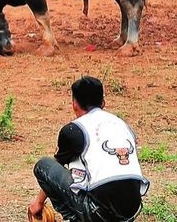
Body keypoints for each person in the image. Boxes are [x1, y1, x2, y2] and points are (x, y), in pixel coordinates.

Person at [29, 76, 149, 222]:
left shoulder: (74, 130)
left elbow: (57, 166)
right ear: (103, 102)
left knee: (43, 166)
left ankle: (75, 219)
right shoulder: (122, 125)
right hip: (131, 211)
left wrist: (39, 202)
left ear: (75, 104)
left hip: (98, 212)